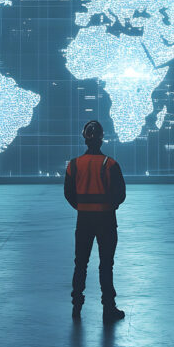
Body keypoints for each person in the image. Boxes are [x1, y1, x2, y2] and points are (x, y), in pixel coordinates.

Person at [65, 120, 127, 323]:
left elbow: (69, 194)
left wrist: (82, 207)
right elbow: (121, 194)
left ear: (84, 138)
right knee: (106, 265)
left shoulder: (73, 165)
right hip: (106, 219)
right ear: (102, 139)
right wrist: (109, 206)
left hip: (83, 220)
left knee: (80, 264)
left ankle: (76, 306)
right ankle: (108, 307)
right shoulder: (110, 164)